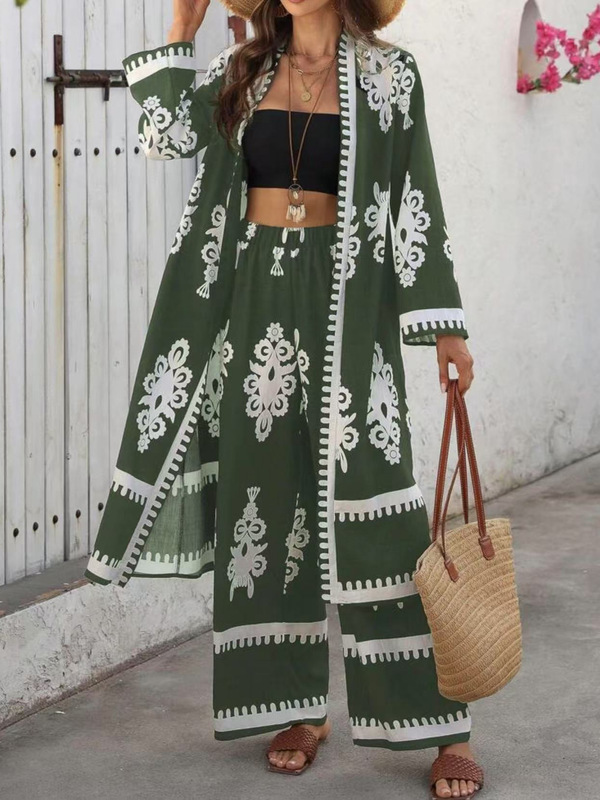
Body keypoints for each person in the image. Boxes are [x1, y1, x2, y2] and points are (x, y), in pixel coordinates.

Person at [84, 1, 481, 797]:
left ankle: (441, 725)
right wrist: (180, 31)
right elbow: (166, 135)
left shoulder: (391, 76)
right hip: (255, 308)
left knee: (382, 511)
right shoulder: (242, 71)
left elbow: (416, 197)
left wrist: (444, 327)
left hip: (350, 311)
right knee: (264, 503)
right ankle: (295, 708)